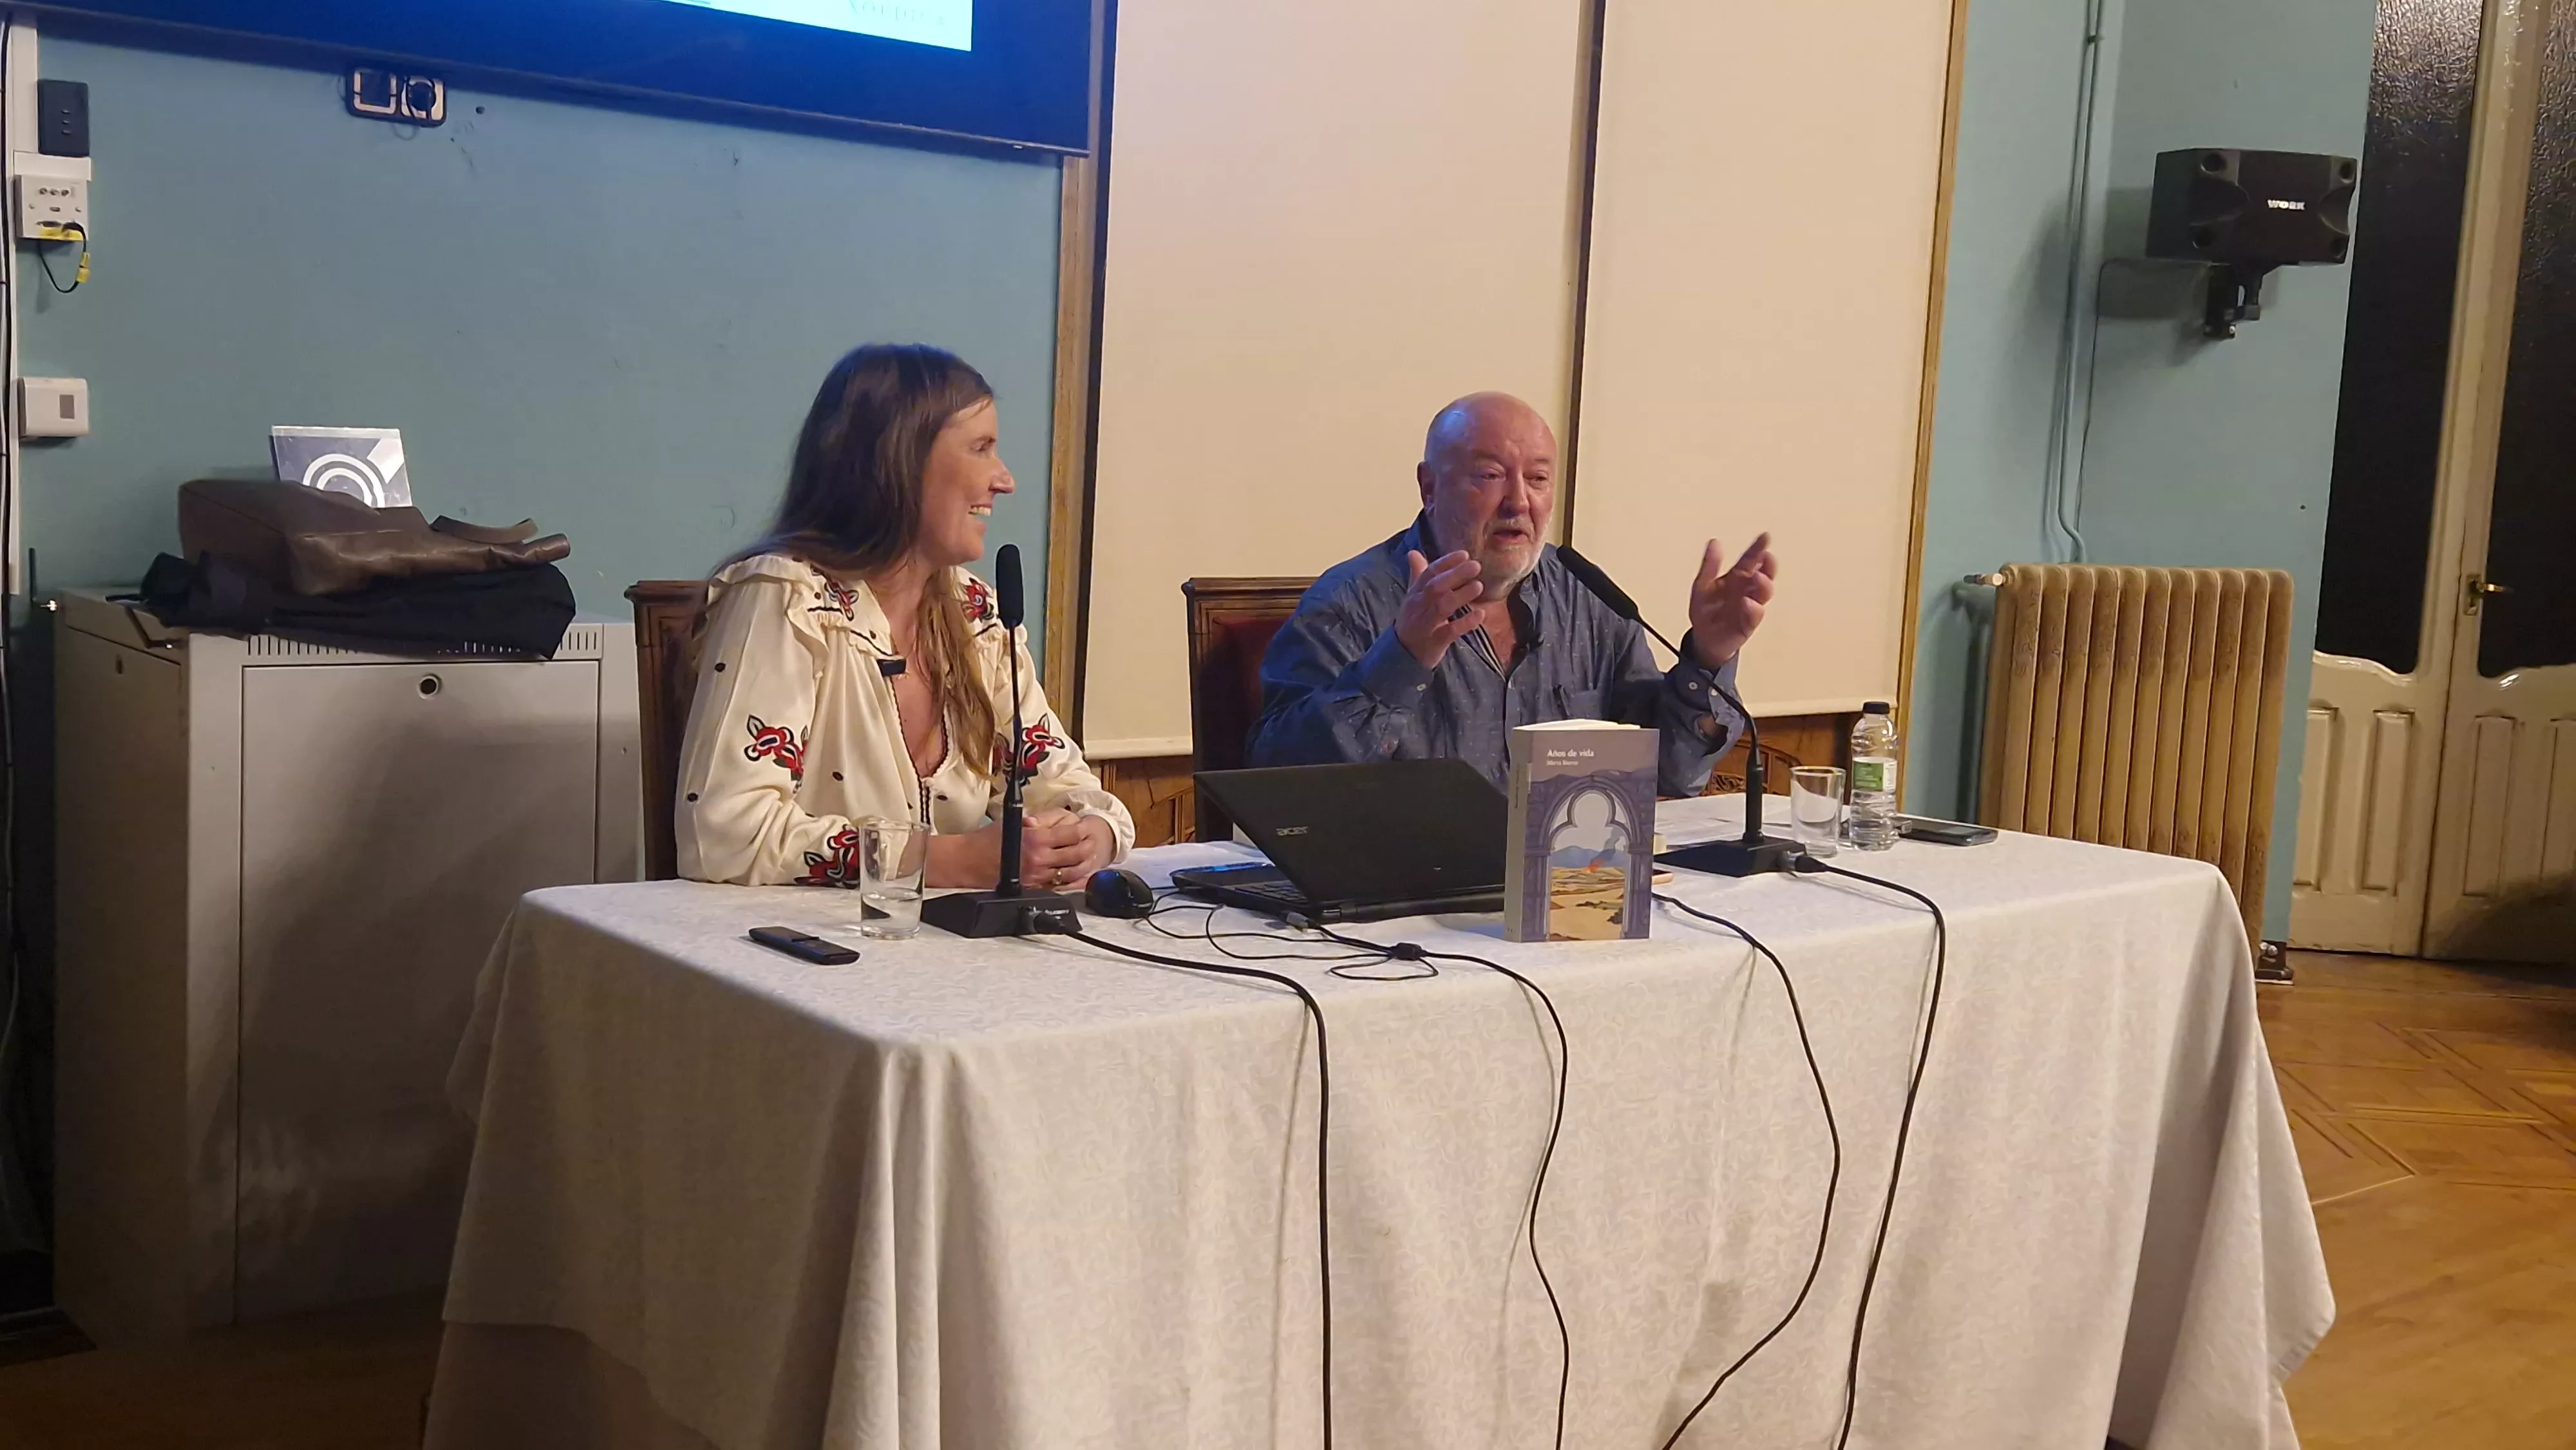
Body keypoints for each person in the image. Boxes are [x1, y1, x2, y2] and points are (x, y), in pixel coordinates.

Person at [676, 344, 1133, 891]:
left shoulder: (974, 613)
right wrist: (943, 860)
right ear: (900, 462)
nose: (1005, 480)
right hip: (803, 960)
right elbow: (726, 834)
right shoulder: (785, 599)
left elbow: (1064, 785)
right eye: (981, 448)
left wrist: (1091, 836)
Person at [1249, 391, 1777, 796]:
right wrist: (1401, 659)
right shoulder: (1349, 603)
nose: (1519, 502)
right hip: (1401, 906)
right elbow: (1280, 782)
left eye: (1540, 479)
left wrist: (1710, 656)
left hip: (1569, 894)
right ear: (1429, 488)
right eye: (1491, 475)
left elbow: (1674, 775)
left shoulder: (1587, 599)